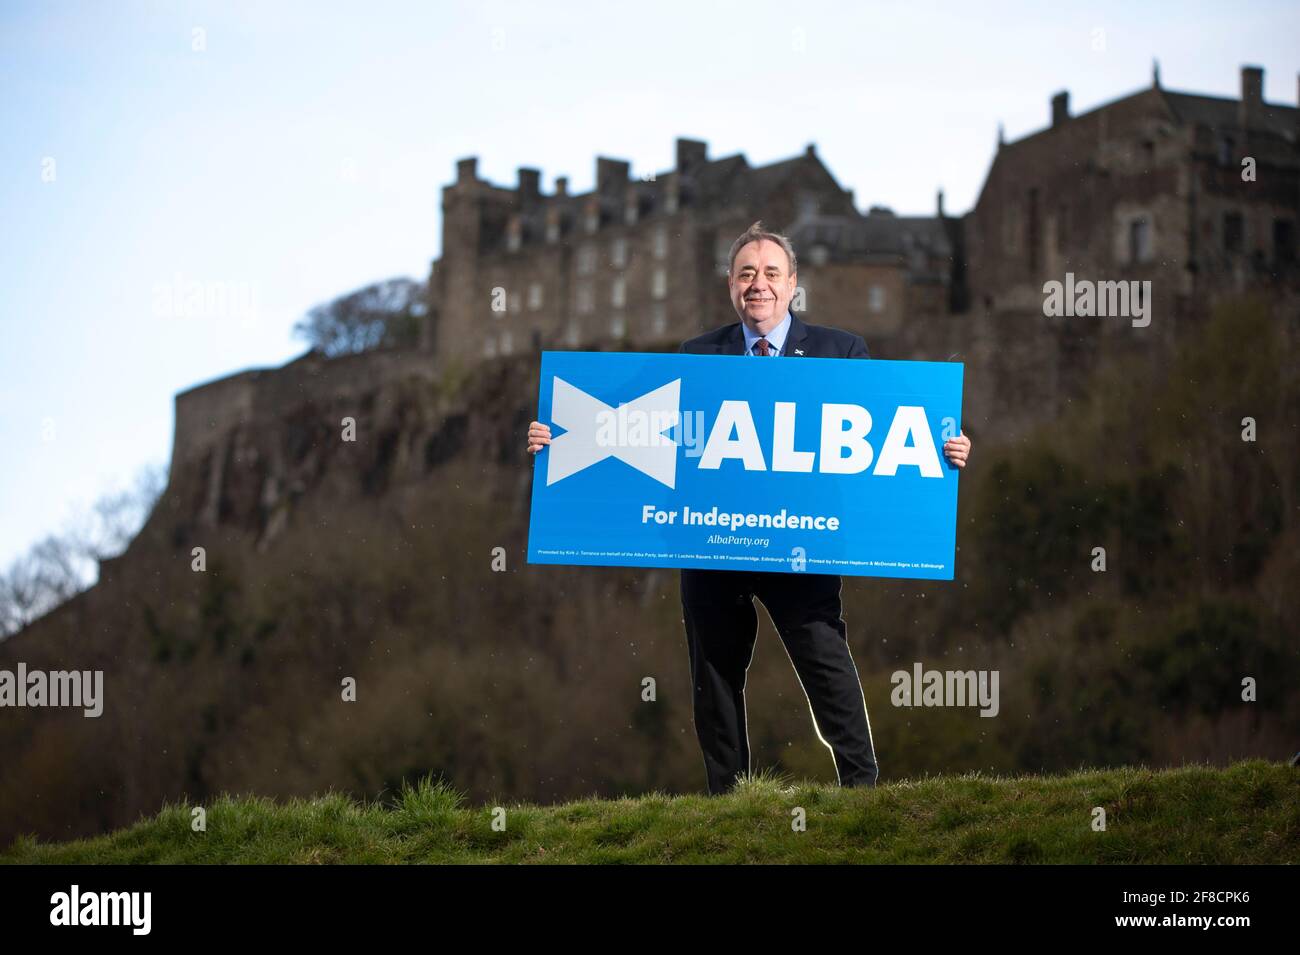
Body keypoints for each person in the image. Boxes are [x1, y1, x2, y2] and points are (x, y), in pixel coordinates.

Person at [527, 221, 971, 794]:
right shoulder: (698, 354)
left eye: (770, 273)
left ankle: (863, 787)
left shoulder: (842, 350)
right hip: (714, 543)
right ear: (731, 286)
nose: (757, 285)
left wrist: (950, 448)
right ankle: (729, 798)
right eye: (746, 274)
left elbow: (893, 428)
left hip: (802, 544)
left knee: (824, 660)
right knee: (714, 672)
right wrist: (557, 434)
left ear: (792, 285)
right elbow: (628, 420)